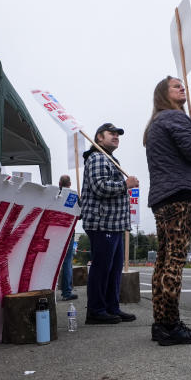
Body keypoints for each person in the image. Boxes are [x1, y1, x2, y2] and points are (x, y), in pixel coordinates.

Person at [143, 77, 191, 346]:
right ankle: (171, 325)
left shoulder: (156, 124)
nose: (182, 88)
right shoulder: (176, 118)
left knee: (163, 260)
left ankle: (161, 323)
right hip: (179, 197)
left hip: (162, 198)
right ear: (164, 94)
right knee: (176, 260)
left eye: (183, 85)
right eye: (175, 86)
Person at [80, 123, 140, 324]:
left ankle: (111, 307)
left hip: (114, 224)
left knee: (114, 269)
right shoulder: (97, 158)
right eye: (111, 133)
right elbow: (100, 187)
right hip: (101, 222)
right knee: (102, 268)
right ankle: (96, 310)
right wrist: (126, 184)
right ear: (98, 138)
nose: (116, 136)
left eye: (118, 134)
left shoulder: (111, 159)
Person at [56, 175, 78, 301]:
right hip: (69, 230)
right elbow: (79, 214)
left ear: (59, 183)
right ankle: (66, 292)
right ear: (70, 184)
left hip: (55, 230)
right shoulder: (74, 195)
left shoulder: (55, 194)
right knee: (67, 261)